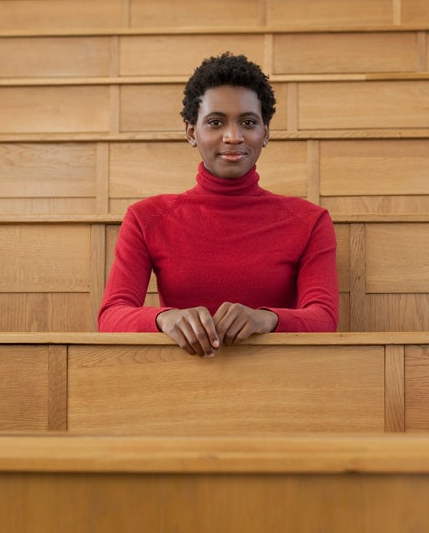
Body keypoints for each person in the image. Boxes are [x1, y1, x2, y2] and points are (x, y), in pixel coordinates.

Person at [98, 52, 339, 357]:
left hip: (278, 382)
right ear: (191, 132)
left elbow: (324, 318)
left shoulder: (309, 220)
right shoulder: (147, 218)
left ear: (265, 133)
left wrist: (266, 318)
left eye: (248, 122)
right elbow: (111, 315)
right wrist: (164, 318)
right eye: (215, 122)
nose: (233, 136)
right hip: (174, 383)